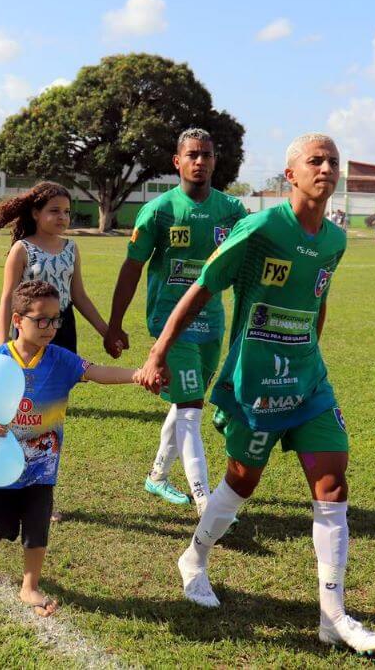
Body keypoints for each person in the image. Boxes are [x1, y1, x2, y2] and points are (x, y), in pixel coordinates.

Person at [139, 133, 375, 654]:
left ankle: (333, 616)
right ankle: (195, 558)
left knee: (332, 484)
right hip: (253, 382)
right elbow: (203, 286)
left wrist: (309, 354)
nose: (326, 169)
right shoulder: (260, 227)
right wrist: (159, 352)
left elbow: (318, 299)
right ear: (291, 175)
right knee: (240, 483)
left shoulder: (336, 239)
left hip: (308, 381)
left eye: (333, 162)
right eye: (314, 161)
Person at [0, 280, 159, 617]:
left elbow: (97, 371)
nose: (50, 327)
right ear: (17, 321)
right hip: (4, 463)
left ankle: (30, 586)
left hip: (43, 466)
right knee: (0, 526)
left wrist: (137, 375)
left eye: (55, 319)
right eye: (41, 320)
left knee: (37, 526)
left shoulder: (60, 360)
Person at [105, 128, 248, 512]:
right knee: (190, 409)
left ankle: (157, 476)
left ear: (215, 161)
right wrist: (114, 324)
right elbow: (132, 268)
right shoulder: (159, 210)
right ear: (177, 161)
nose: (200, 161)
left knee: (187, 404)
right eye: (192, 155)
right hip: (168, 325)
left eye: (207, 155)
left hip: (211, 322)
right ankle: (206, 502)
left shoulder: (232, 211)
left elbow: (245, 268)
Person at [0, 181, 110, 354]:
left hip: (63, 325)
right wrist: (1, 344)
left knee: (62, 379)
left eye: (66, 212)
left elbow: (79, 296)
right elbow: (8, 298)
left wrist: (106, 332)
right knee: (30, 378)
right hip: (31, 325)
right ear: (36, 213)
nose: (62, 216)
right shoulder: (22, 249)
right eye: (54, 211)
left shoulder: (71, 248)